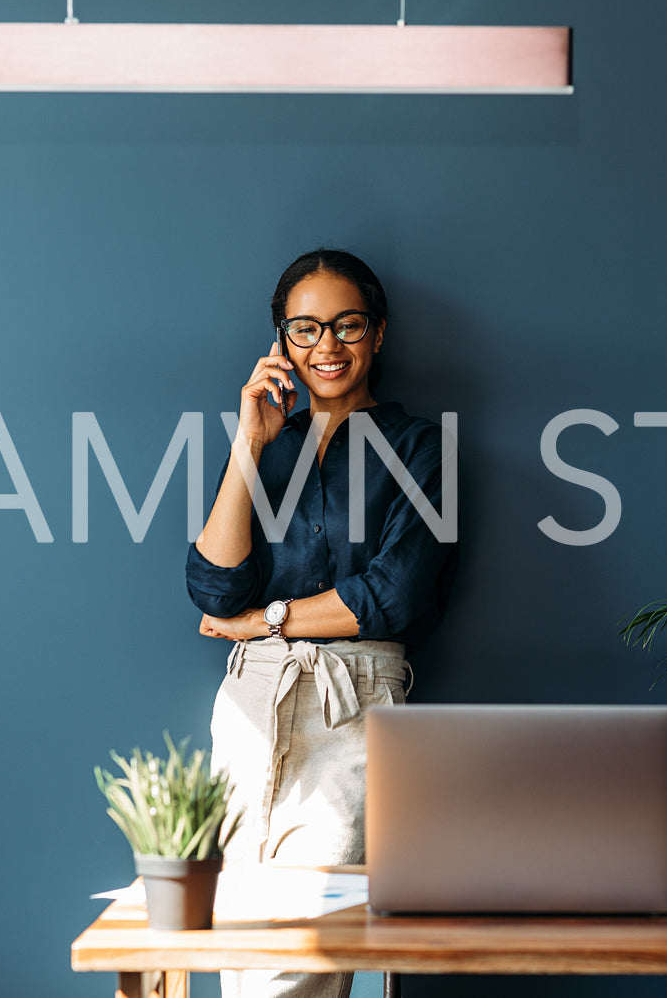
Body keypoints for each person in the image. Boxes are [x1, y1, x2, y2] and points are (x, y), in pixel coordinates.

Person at [185, 249, 457, 998]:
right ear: (280, 341)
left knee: (307, 946)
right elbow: (213, 584)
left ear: (377, 334)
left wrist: (262, 620)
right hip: (250, 703)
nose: (326, 346)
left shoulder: (421, 447)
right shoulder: (267, 446)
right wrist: (249, 441)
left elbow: (394, 595)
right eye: (304, 329)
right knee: (242, 943)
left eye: (346, 325)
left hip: (350, 698)